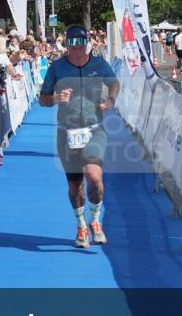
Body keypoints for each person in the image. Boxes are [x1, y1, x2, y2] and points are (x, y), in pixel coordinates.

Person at [38, 24, 120, 249]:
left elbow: (114, 83)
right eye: (72, 43)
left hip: (95, 129)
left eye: (81, 43)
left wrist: (111, 100)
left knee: (94, 178)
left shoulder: (99, 64)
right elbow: (42, 99)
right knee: (76, 187)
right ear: (66, 44)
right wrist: (56, 98)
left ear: (87, 43)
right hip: (67, 134)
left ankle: (95, 221)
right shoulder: (57, 68)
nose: (77, 48)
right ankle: (81, 224)